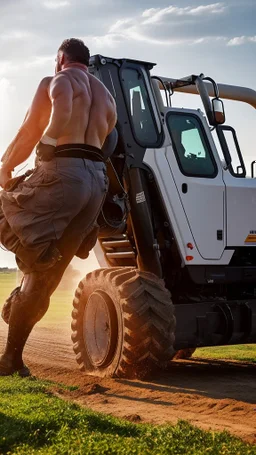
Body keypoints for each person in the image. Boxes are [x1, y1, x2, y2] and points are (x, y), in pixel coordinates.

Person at [0, 38, 117, 376]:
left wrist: (9, 166)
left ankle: (36, 253)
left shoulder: (59, 80)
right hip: (95, 184)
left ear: (61, 58)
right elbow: (109, 142)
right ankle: (11, 360)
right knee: (45, 281)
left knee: (13, 223)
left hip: (65, 174)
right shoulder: (106, 96)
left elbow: (31, 130)